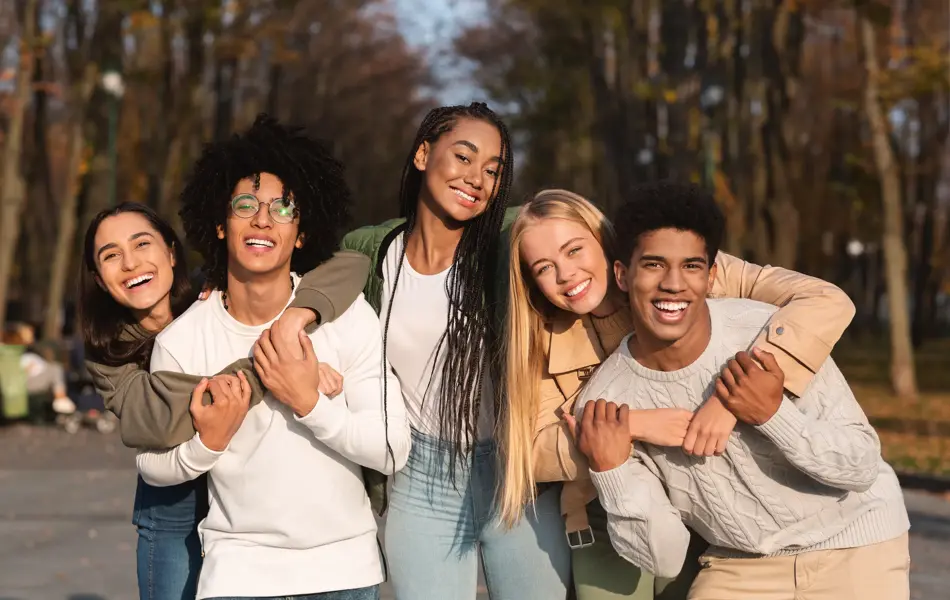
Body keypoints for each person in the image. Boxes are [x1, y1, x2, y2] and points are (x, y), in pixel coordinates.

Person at [500, 189, 858, 600]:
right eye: (545, 267)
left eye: (574, 250)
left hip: (704, 500)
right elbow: (529, 450)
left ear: (605, 243)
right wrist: (633, 425)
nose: (566, 274)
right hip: (609, 503)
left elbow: (825, 301)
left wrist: (732, 398)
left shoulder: (688, 272)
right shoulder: (538, 338)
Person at [572, 181, 910, 600]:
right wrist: (614, 472)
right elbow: (664, 559)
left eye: (692, 266)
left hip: (857, 545)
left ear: (711, 275)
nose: (674, 284)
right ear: (623, 275)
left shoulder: (765, 331)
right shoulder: (607, 401)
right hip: (739, 566)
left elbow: (860, 465)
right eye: (654, 265)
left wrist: (774, 416)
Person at [134, 115, 410, 600]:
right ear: (220, 225)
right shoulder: (181, 340)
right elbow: (153, 464)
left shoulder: (346, 316)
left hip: (343, 573)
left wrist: (310, 403)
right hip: (238, 574)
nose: (264, 219)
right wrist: (209, 443)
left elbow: (391, 447)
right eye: (247, 204)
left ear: (302, 234)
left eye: (284, 208)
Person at [80, 196, 369, 600]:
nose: (130, 263)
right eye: (111, 255)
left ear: (171, 251)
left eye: (142, 244)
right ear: (97, 277)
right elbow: (157, 419)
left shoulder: (220, 291)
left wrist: (293, 322)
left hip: (247, 496)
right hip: (173, 501)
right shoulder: (106, 349)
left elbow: (350, 264)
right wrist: (281, 368)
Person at [341, 102, 571, 599]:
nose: (477, 179)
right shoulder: (372, 251)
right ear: (423, 154)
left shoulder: (507, 244)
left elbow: (578, 238)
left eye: (493, 170)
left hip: (518, 472)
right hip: (422, 476)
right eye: (464, 157)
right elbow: (307, 278)